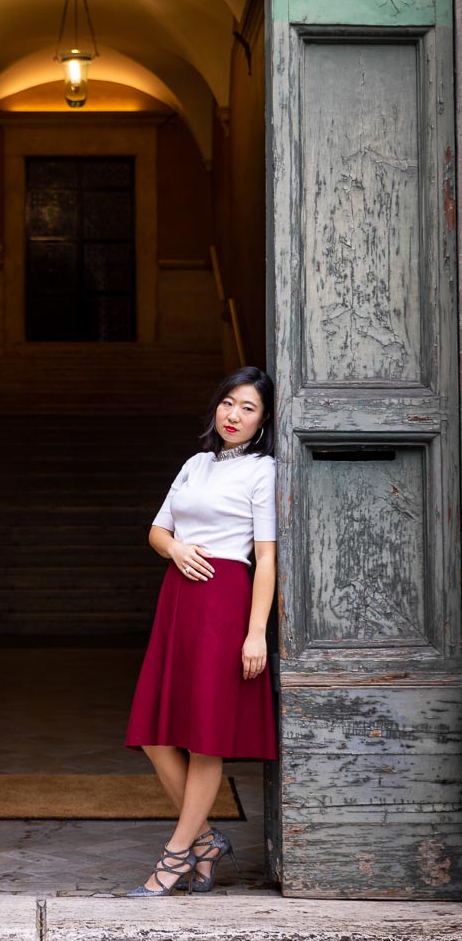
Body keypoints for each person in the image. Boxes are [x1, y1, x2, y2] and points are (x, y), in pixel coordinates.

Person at [124, 366, 278, 896]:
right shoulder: (196, 464)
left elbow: (265, 557)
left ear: (262, 422)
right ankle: (208, 840)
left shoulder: (263, 470)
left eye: (248, 408)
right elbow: (157, 529)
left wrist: (256, 632)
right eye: (228, 403)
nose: (234, 415)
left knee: (206, 741)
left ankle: (174, 856)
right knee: (154, 735)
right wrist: (176, 548)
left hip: (224, 602)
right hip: (179, 600)